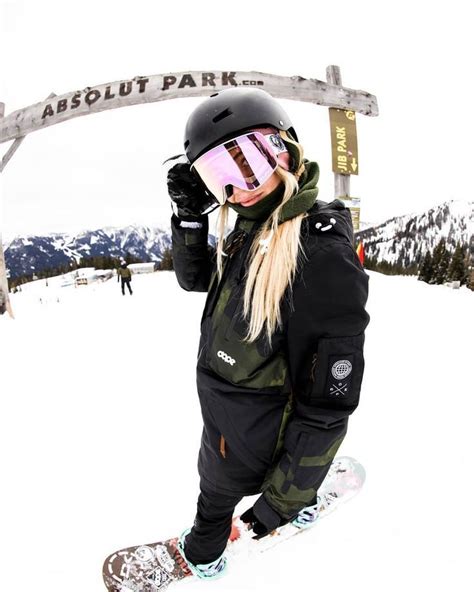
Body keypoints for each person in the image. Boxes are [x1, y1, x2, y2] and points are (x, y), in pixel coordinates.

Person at [167, 88, 370, 580]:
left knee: (213, 496)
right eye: (221, 176)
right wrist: (192, 219)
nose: (243, 186)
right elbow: (198, 280)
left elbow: (326, 406)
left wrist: (275, 506)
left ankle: (203, 554)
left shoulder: (317, 257)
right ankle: (301, 496)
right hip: (230, 414)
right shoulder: (251, 227)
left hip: (252, 434)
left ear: (288, 149)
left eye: (254, 159)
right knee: (216, 478)